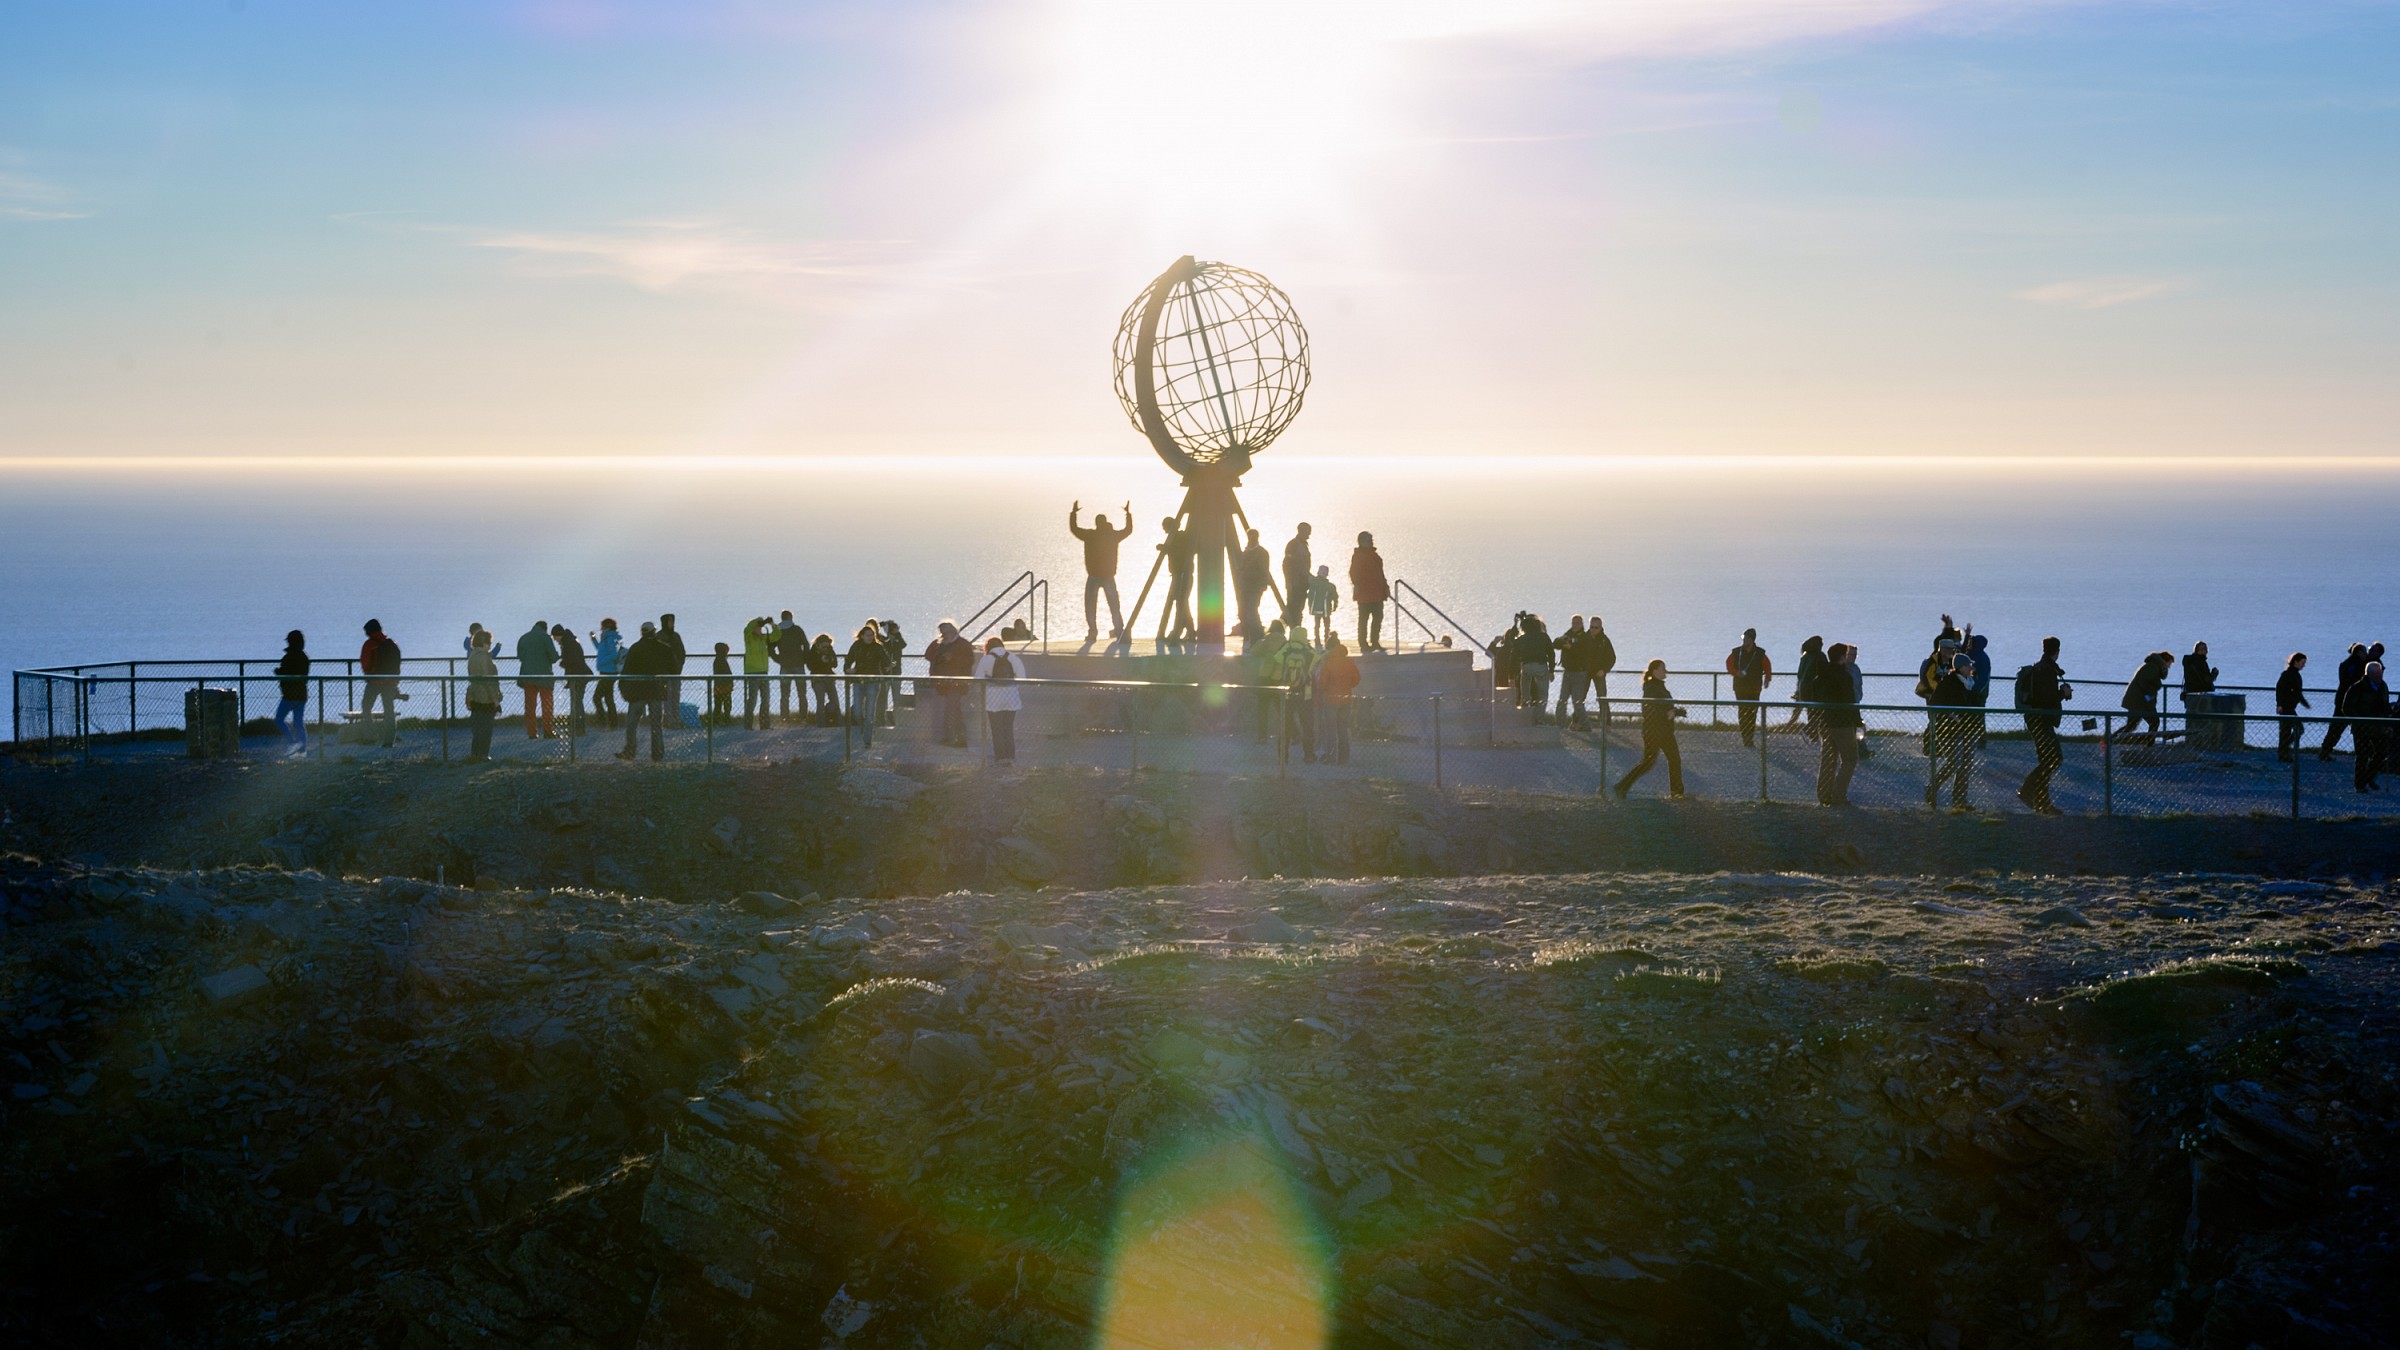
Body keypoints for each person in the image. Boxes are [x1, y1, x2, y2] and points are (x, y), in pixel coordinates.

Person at [2014, 636, 2072, 814]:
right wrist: (2062, 693)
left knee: (2047, 760)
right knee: (2054, 758)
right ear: (2058, 651)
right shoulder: (2047, 670)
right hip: (2041, 719)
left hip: (2035, 719)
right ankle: (2027, 792)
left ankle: (2042, 803)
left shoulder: (2041, 667)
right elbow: (2047, 699)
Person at [1613, 660, 1685, 799]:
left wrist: (1676, 711)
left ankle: (1677, 792)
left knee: (1671, 760)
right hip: (1654, 731)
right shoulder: (1651, 688)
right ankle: (1622, 786)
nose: (1665, 671)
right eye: (1663, 668)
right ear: (1655, 671)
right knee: (1650, 762)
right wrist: (1668, 714)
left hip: (1664, 731)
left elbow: (1666, 707)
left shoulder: (1659, 687)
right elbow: (1649, 710)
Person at [1068, 499, 1133, 643]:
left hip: (1093, 576)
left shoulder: (1090, 535)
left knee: (1090, 607)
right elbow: (1128, 530)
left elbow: (1074, 529)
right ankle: (1119, 631)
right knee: (1114, 606)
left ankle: (1092, 633)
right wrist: (1128, 514)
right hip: (1108, 576)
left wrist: (1073, 513)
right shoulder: (1113, 536)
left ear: (1096, 523)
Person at [1926, 652, 1978, 811]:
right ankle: (1932, 788)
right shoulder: (1948, 683)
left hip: (1967, 729)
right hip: (1948, 729)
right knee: (1954, 763)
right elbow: (1934, 703)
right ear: (1961, 667)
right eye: (1968, 665)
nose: (1971, 668)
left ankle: (1960, 801)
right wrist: (1950, 714)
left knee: (1966, 765)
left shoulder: (1970, 684)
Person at [1811, 642, 1860, 805]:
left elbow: (1814, 698)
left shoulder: (1820, 676)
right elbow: (1850, 701)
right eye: (1846, 655)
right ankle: (1839, 795)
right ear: (1841, 657)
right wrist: (1858, 721)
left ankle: (1824, 795)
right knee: (1850, 759)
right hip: (1842, 723)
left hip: (1825, 722)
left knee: (1828, 760)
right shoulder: (1844, 677)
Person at [616, 620, 671, 761]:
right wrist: (664, 680)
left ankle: (630, 751)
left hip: (638, 691)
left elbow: (627, 670)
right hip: (656, 690)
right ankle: (657, 753)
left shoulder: (636, 648)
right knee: (656, 724)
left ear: (642, 632)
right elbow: (673, 667)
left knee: (632, 723)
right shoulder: (663, 648)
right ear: (654, 631)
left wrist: (622, 686)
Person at [925, 620, 976, 748]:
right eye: (942, 632)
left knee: (952, 710)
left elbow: (969, 661)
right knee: (953, 711)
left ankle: (956, 738)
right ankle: (954, 737)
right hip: (943, 683)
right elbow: (932, 658)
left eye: (945, 632)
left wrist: (953, 658)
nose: (943, 635)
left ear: (953, 631)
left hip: (957, 683)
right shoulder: (941, 644)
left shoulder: (963, 644)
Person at [1270, 625, 1318, 761]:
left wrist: (1288, 645)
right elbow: (1318, 658)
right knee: (1307, 726)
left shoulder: (1286, 649)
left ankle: (1283, 757)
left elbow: (1276, 658)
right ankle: (1309, 755)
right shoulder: (1309, 651)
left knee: (1285, 726)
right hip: (1305, 693)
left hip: (1287, 693)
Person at [975, 636, 1023, 765]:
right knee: (1008, 727)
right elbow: (1022, 677)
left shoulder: (986, 659)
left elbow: (978, 678)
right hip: (1011, 697)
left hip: (993, 697)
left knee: (996, 729)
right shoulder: (1013, 658)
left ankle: (1000, 757)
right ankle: (1010, 756)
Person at [2342, 661, 2389, 791]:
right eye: (2377, 674)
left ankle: (2368, 777)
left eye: (2380, 673)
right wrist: (2360, 720)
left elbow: (2385, 706)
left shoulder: (2383, 686)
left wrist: (2388, 722)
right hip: (2361, 728)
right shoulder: (2357, 688)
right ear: (2368, 674)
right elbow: (2347, 708)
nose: (2380, 676)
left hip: (2378, 727)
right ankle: (2360, 784)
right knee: (2362, 756)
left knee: (2382, 753)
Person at [1315, 635, 1361, 764]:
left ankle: (1331, 756)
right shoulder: (1349, 662)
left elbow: (1321, 683)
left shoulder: (1327, 662)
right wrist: (1347, 686)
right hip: (1346, 699)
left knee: (1330, 730)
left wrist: (1323, 691)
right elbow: (1357, 679)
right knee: (1343, 729)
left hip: (1331, 699)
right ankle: (1344, 757)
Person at [2321, 643, 2370, 760]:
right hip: (2353, 701)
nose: (2366, 654)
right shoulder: (2360, 665)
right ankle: (2364, 753)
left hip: (2341, 699)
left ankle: (2325, 750)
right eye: (2364, 652)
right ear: (2359, 652)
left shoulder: (2344, 664)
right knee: (2359, 728)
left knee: (2335, 728)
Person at [1725, 628, 1773, 747]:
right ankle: (1745, 736)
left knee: (1752, 713)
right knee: (1742, 712)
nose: (1744, 640)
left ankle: (1749, 737)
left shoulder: (1760, 653)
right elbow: (1728, 664)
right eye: (1744, 638)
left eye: (1746, 638)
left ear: (1752, 640)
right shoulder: (1736, 652)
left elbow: (1767, 666)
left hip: (1754, 688)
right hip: (1740, 688)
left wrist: (1767, 679)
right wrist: (1736, 673)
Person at [359, 619, 402, 748]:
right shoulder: (392, 644)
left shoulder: (369, 644)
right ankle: (389, 740)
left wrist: (368, 674)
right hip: (390, 683)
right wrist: (395, 681)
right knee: (389, 711)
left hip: (374, 681)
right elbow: (397, 663)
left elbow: (365, 663)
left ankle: (370, 736)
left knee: (366, 707)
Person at [1158, 516, 1196, 651]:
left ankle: (1184, 631)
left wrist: (1165, 548)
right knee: (1182, 603)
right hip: (1178, 575)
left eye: (1165, 527)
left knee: (1181, 603)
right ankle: (1188, 631)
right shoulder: (1177, 537)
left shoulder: (1179, 538)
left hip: (1182, 575)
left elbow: (1179, 552)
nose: (1164, 530)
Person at [464, 629, 502, 763]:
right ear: (484, 643)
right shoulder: (485, 658)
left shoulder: (472, 656)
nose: (490, 646)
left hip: (475, 696)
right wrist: (495, 699)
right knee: (486, 729)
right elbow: (488, 680)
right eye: (489, 643)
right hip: (486, 698)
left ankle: (475, 754)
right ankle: (484, 755)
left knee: (477, 729)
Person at [516, 619, 558, 739]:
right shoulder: (546, 638)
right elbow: (554, 657)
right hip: (544, 676)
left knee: (530, 706)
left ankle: (532, 732)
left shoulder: (523, 638)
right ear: (545, 629)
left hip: (528, 676)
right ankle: (548, 731)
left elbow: (520, 656)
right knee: (547, 705)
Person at [1348, 531, 1388, 653]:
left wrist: (1385, 587)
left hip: (1377, 593)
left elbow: (1380, 573)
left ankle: (1375, 641)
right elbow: (1353, 572)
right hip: (1365, 593)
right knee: (1364, 619)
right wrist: (1357, 584)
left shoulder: (1374, 555)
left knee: (1377, 618)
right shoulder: (1359, 556)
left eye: (1371, 540)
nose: (1371, 542)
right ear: (1362, 542)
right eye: (1369, 540)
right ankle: (1363, 643)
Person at [273, 630, 310, 757]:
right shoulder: (304, 657)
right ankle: (302, 749)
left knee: (279, 719)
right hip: (302, 694)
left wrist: (278, 672)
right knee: (298, 722)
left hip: (289, 695)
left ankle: (292, 742)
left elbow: (284, 671)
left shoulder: (288, 657)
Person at [845, 623, 888, 727]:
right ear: (862, 636)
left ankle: (868, 732)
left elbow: (886, 661)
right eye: (868, 635)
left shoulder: (877, 647)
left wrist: (888, 667)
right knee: (857, 712)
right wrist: (848, 670)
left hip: (873, 682)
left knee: (870, 712)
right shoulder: (856, 646)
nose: (870, 637)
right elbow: (848, 660)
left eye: (872, 635)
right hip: (858, 681)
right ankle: (863, 727)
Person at [2120, 651, 2170, 742]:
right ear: (2164, 661)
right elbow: (2144, 683)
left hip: (2140, 701)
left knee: (2132, 725)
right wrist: (2151, 692)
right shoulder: (2153, 668)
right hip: (2139, 701)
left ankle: (2111, 740)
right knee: (2153, 722)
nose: (2168, 667)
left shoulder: (2152, 666)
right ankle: (2149, 743)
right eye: (2168, 664)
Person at [1252, 620, 1289, 742]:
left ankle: (1262, 736)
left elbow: (1254, 651)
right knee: (1282, 710)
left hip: (1264, 678)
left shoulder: (1266, 641)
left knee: (1263, 709)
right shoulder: (1286, 643)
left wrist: (1260, 641)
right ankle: (1293, 733)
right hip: (1277, 680)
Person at [1514, 614, 1554, 719]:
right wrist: (1551, 670)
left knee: (1525, 692)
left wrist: (1512, 674)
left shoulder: (1521, 639)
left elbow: (1514, 656)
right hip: (1540, 666)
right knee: (1543, 695)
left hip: (1526, 666)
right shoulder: (1544, 637)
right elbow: (1551, 653)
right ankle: (1539, 718)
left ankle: (1525, 714)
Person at [1236, 527, 1272, 643]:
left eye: (1253, 537)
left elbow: (1264, 570)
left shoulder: (1262, 553)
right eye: (1250, 537)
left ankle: (1257, 636)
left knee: (1252, 611)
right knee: (1242, 612)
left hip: (1255, 587)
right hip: (1245, 586)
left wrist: (1262, 584)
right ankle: (1247, 636)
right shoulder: (1246, 552)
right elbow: (1240, 568)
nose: (1251, 539)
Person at [1554, 616, 1591, 726]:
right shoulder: (1568, 634)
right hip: (1567, 671)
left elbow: (1583, 654)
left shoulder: (1585, 637)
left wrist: (1571, 648)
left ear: (1582, 624)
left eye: (1577, 623)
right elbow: (1555, 644)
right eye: (1573, 623)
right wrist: (1561, 641)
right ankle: (1559, 724)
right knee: (1562, 700)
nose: (1575, 625)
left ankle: (1585, 724)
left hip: (1579, 672)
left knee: (1577, 702)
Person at [555, 623, 590, 737]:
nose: (554, 639)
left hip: (577, 676)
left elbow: (573, 660)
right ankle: (576, 728)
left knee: (576, 704)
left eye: (555, 636)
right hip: (579, 675)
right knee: (576, 703)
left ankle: (578, 729)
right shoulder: (570, 641)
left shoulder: (568, 644)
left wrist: (563, 663)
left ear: (559, 635)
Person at [2276, 653, 2311, 763]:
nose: (2304, 665)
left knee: (2287, 731)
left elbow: (2297, 693)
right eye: (2302, 663)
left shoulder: (2294, 674)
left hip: (2290, 706)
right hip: (2286, 707)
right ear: (2296, 661)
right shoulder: (2288, 674)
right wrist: (2279, 704)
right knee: (2294, 729)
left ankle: (2283, 751)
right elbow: (2280, 689)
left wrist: (2305, 703)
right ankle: (2283, 751)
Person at [1786, 636, 1825, 735]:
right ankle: (1809, 732)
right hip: (1815, 689)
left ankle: (1810, 734)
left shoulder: (1804, 657)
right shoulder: (1820, 656)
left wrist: (1798, 689)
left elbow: (1800, 674)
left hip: (1803, 688)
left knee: (1810, 712)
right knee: (1818, 714)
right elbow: (1824, 672)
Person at [742, 616, 775, 730]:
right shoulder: (749, 637)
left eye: (760, 627)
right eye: (758, 627)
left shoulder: (763, 638)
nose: (759, 629)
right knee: (752, 700)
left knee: (766, 699)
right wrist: (758, 621)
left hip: (764, 672)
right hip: (752, 672)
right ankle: (748, 725)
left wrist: (772, 624)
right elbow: (747, 628)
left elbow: (776, 636)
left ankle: (765, 725)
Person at [776, 611, 810, 721]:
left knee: (785, 694)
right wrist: (805, 658)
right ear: (791, 617)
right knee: (802, 692)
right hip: (798, 664)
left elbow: (771, 647)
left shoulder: (778, 631)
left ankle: (784, 717)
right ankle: (803, 717)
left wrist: (777, 659)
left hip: (784, 665)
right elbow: (806, 644)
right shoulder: (797, 629)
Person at [1280, 522, 1313, 629]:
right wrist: (1290, 582)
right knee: (1292, 609)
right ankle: (1280, 629)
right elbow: (1287, 564)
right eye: (1308, 531)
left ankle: (1293, 631)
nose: (1309, 534)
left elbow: (1304, 567)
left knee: (1297, 609)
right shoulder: (1294, 545)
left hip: (1302, 583)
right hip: (1295, 584)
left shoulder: (1303, 545)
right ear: (1302, 531)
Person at [1586, 615, 1617, 728]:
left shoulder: (1604, 640)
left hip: (1599, 673)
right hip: (1585, 672)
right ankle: (1577, 721)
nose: (1594, 630)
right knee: (1580, 697)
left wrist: (1604, 670)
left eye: (1596, 627)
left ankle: (1606, 723)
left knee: (1602, 697)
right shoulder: (1584, 638)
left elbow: (1612, 658)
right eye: (1592, 627)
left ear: (1600, 627)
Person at [592, 618, 623, 727]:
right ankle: (612, 722)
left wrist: (602, 661)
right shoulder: (607, 638)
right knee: (608, 698)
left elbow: (613, 655)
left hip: (608, 672)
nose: (601, 629)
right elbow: (601, 650)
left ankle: (603, 721)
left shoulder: (610, 639)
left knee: (597, 697)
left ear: (607, 627)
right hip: (606, 671)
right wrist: (594, 640)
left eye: (603, 627)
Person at [659, 614, 688, 727]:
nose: (671, 623)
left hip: (676, 671)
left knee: (676, 696)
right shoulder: (660, 636)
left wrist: (679, 664)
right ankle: (668, 720)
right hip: (664, 672)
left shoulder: (676, 636)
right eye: (669, 621)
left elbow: (682, 652)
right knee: (666, 697)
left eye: (672, 621)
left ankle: (676, 719)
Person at [807, 632, 840, 725]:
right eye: (824, 646)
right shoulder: (813, 651)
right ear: (819, 644)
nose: (826, 648)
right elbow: (810, 666)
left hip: (829, 678)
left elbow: (835, 664)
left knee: (835, 700)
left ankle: (838, 721)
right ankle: (821, 722)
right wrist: (820, 660)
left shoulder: (830, 650)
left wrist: (831, 659)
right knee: (820, 701)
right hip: (818, 679)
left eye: (827, 646)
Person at [879, 621, 907, 725]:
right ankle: (883, 719)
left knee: (896, 697)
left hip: (896, 672)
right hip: (886, 673)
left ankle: (897, 719)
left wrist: (896, 635)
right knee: (883, 698)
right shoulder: (884, 641)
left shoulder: (898, 640)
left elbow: (903, 645)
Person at [1307, 565, 1338, 648]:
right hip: (1326, 609)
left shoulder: (1313, 582)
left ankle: (1317, 641)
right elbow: (1335, 597)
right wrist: (1335, 605)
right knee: (1327, 626)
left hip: (1315, 609)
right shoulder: (1330, 586)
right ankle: (1327, 640)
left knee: (1317, 625)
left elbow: (1309, 577)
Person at [707, 643, 735, 725]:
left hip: (718, 686)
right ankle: (726, 719)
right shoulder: (721, 661)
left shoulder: (717, 660)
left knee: (718, 704)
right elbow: (727, 674)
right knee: (726, 704)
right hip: (724, 686)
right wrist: (730, 682)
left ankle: (716, 720)